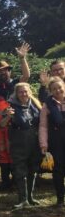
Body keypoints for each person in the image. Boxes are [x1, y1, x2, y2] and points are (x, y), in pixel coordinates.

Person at [0, 43, 31, 191]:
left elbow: (26, 75)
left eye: (4, 70)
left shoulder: (16, 84)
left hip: (14, 124)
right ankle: (5, 182)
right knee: (2, 153)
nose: (2, 73)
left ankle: (17, 181)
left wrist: (22, 58)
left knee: (15, 152)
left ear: (9, 71)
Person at [0, 83, 41, 209]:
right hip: (18, 143)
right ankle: (22, 199)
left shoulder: (36, 105)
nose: (23, 94)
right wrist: (8, 117)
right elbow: (1, 125)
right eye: (20, 92)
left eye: (25, 91)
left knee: (33, 170)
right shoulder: (10, 107)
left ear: (30, 92)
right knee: (20, 171)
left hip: (34, 142)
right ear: (16, 94)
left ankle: (30, 197)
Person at [39, 77, 65, 206]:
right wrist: (43, 143)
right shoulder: (47, 105)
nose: (58, 90)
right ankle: (60, 198)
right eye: (54, 89)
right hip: (56, 141)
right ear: (50, 91)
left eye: (60, 87)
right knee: (58, 170)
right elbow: (43, 126)